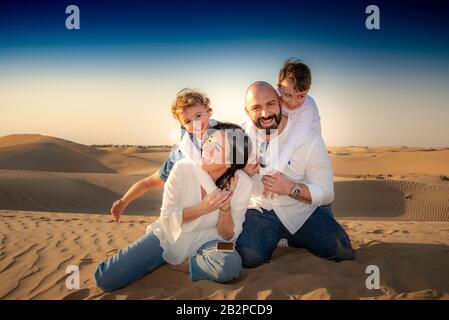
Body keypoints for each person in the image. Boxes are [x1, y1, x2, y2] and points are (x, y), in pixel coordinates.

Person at [95, 123, 253, 291]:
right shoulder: (183, 168)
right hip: (170, 235)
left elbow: (228, 236)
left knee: (231, 263)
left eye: (218, 147)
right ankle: (168, 256)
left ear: (230, 162)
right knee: (106, 278)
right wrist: (203, 208)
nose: (207, 149)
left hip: (209, 240)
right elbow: (167, 217)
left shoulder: (242, 183)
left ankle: (186, 265)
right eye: (209, 140)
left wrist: (225, 208)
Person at [237, 81, 354, 269]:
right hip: (260, 211)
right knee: (248, 256)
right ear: (247, 111)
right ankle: (276, 237)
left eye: (271, 104)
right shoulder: (239, 138)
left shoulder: (309, 139)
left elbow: (326, 193)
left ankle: (296, 237)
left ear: (281, 103)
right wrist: (241, 171)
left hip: (300, 210)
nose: (265, 114)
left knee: (343, 252)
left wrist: (291, 188)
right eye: (256, 108)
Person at [110, 88, 220, 222]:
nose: (195, 123)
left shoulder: (227, 134)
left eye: (198, 116)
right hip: (194, 214)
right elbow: (149, 182)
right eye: (187, 121)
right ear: (183, 125)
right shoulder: (181, 155)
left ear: (208, 110)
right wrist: (123, 201)